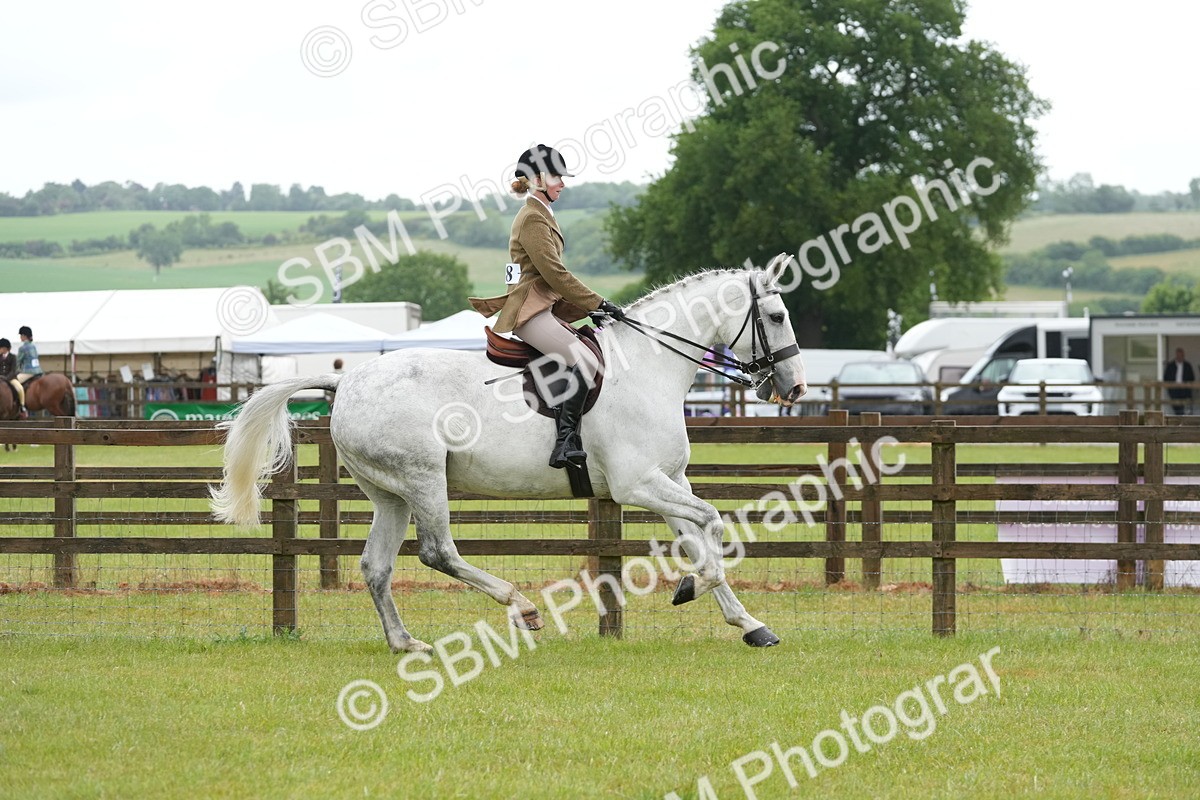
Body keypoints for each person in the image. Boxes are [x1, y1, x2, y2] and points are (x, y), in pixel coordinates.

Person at [469, 143, 625, 469]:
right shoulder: (531, 219)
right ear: (538, 178)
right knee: (585, 361)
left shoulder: (542, 213)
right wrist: (597, 302)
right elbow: (554, 273)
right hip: (530, 312)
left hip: (546, 308)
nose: (562, 184)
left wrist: (595, 308)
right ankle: (566, 442)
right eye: (557, 176)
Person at [1164, 347, 1195, 415]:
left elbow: (1192, 377)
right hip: (1174, 390)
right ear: (1176, 355)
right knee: (1177, 406)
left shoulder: (1187, 365)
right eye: (1179, 355)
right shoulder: (1170, 366)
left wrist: (1187, 385)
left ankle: (1184, 420)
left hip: (1185, 390)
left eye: (1182, 355)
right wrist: (1170, 387)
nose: (1180, 357)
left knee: (1187, 407)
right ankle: (1179, 420)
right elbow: (1166, 377)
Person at [0, 337, 26, 418]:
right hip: (0, 378)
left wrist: (6, 378)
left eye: (3, 348)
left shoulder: (13, 357)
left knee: (20, 388)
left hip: (10, 378)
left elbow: (13, 370)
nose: (1, 350)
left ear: (7, 349)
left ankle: (22, 406)